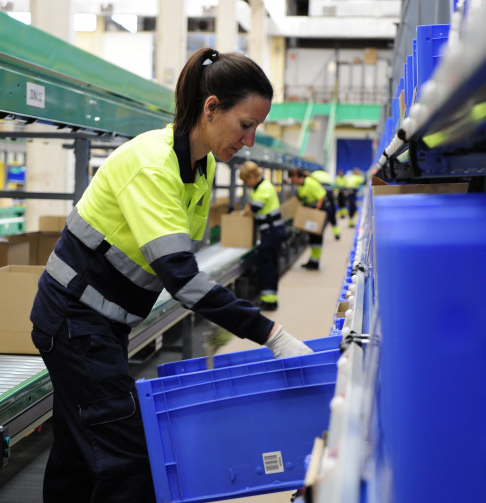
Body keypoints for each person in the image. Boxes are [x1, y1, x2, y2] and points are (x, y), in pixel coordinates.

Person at [29, 47, 312, 503]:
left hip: (100, 324)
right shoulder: (153, 165)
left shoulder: (202, 166)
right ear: (211, 108)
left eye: (257, 127)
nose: (251, 140)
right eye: (246, 124)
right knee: (131, 463)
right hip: (75, 322)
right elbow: (181, 278)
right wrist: (271, 333)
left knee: (77, 452)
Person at [239, 160, 286, 311]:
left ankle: (269, 301)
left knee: (268, 266)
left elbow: (251, 210)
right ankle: (268, 298)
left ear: (252, 176)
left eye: (246, 180)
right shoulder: (259, 188)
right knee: (267, 265)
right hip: (270, 233)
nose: (246, 184)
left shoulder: (263, 189)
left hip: (272, 233)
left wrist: (246, 211)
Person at [287, 167, 331, 270]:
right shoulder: (300, 186)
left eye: (292, 178)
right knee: (311, 237)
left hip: (318, 211)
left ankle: (315, 262)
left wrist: (316, 212)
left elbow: (321, 197)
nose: (291, 180)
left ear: (297, 177)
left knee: (316, 237)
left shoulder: (310, 183)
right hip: (311, 211)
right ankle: (312, 260)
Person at [310, 168, 341, 240]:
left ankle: (317, 233)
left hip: (319, 193)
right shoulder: (327, 175)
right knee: (332, 217)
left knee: (319, 215)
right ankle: (337, 234)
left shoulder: (314, 174)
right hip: (329, 194)